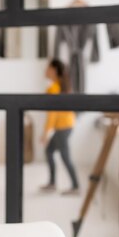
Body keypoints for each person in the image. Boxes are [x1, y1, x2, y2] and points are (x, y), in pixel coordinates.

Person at [40, 58, 80, 195]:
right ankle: (53, 183)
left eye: (47, 68)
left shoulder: (54, 88)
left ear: (53, 70)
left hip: (63, 126)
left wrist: (45, 133)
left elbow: (53, 113)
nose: (45, 70)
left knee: (65, 156)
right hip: (67, 125)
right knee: (50, 151)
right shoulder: (60, 86)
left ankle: (75, 186)